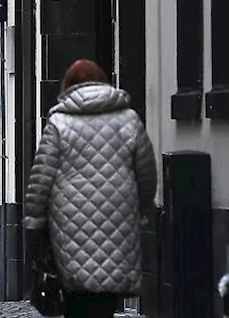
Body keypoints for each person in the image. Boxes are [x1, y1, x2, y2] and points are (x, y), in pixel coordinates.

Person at [23, 59, 158, 318]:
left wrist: (34, 222)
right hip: (117, 222)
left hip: (69, 226)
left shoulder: (59, 123)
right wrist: (140, 208)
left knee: (77, 298)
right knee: (105, 298)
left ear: (68, 86)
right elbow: (146, 173)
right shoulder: (129, 120)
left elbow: (40, 180)